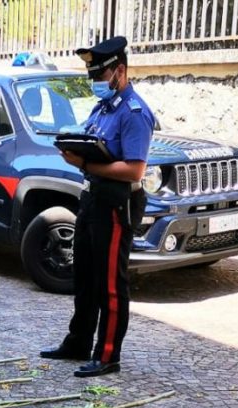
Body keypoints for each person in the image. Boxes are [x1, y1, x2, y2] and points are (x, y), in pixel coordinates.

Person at [41, 35, 155, 378]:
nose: (95, 82)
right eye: (91, 76)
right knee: (85, 276)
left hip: (116, 205)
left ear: (119, 71)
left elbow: (135, 168)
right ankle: (78, 342)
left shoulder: (134, 113)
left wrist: (87, 165)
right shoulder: (103, 109)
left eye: (99, 76)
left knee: (110, 283)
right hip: (92, 199)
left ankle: (107, 355)